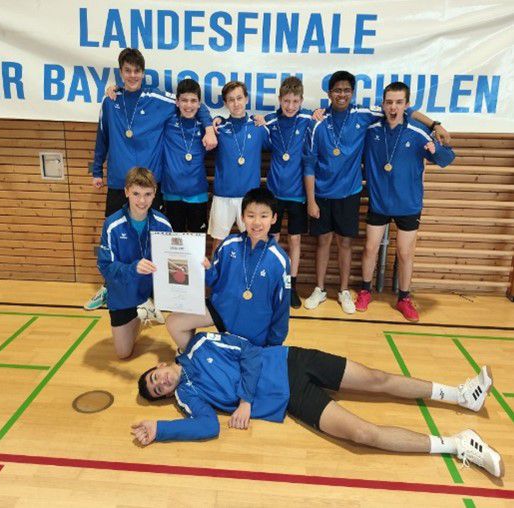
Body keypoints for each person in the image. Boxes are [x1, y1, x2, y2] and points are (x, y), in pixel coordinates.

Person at [132, 330, 503, 479]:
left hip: (291, 360)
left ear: (161, 365)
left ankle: (461, 395)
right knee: (362, 434)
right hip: (291, 398)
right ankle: (458, 443)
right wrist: (159, 429)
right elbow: (208, 426)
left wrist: (244, 400)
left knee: (376, 379)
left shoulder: (198, 345)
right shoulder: (187, 396)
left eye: (154, 377)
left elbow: (249, 351)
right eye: (157, 391)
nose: (160, 384)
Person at [303, 71, 451, 315]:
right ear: (329, 93)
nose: (342, 94)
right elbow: (308, 162)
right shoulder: (319, 121)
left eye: (346, 90)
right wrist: (311, 200)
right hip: (328, 194)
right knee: (329, 243)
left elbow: (408, 112)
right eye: (337, 90)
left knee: (351, 245)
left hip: (352, 194)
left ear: (352, 93)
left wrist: (435, 125)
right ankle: (324, 289)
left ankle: (346, 291)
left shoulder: (365, 115)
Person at [85, 48, 217, 310]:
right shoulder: (110, 101)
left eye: (137, 71)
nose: (132, 75)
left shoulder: (158, 98)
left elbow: (193, 104)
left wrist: (210, 127)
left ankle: (153, 291)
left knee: (152, 241)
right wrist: (97, 170)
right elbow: (103, 136)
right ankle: (110, 287)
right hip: (118, 183)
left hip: (149, 186)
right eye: (127, 71)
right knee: (113, 238)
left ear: (143, 72)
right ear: (121, 72)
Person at [355, 82, 455, 321]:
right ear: (383, 104)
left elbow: (446, 159)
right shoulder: (372, 130)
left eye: (399, 102)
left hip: (408, 204)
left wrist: (436, 149)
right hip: (379, 202)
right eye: (389, 102)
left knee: (405, 252)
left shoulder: (418, 131)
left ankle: (404, 298)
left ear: (407, 105)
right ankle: (365, 291)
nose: (393, 107)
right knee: (370, 248)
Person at [166, 187, 290, 348]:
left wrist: (274, 344)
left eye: (264, 216)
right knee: (173, 323)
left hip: (254, 329)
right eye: (251, 215)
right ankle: (192, 355)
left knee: (241, 360)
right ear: (242, 217)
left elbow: (282, 307)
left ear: (274, 218)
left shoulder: (280, 260)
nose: (257, 222)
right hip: (221, 311)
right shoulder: (229, 244)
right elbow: (213, 280)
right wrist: (206, 269)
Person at [97, 167, 172, 359]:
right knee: (123, 353)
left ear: (154, 194)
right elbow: (105, 266)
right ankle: (141, 313)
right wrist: (133, 268)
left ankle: (148, 304)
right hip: (122, 292)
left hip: (150, 290)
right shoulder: (112, 224)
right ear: (126, 192)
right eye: (136, 194)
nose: (142, 201)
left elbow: (171, 262)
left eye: (147, 194)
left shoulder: (163, 223)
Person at [263, 77, 312, 309]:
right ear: (280, 99)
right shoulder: (270, 121)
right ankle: (272, 283)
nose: (290, 106)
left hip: (297, 194)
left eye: (295, 101)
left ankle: (291, 285)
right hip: (274, 192)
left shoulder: (308, 119)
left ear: (301, 101)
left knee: (295, 239)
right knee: (272, 239)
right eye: (286, 101)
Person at [208, 81, 272, 254]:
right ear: (225, 103)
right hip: (223, 195)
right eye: (231, 100)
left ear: (246, 99)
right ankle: (215, 271)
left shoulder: (259, 127)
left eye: (239, 98)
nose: (236, 103)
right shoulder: (219, 128)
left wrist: (265, 120)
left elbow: (278, 140)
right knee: (218, 242)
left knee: (254, 240)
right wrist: (214, 120)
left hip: (250, 197)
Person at [161, 79, 209, 233]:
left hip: (198, 194)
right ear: (177, 102)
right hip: (171, 193)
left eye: (193, 101)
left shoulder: (206, 127)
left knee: (197, 241)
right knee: (173, 241)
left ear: (199, 103)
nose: (189, 105)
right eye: (184, 100)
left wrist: (210, 128)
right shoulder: (167, 122)